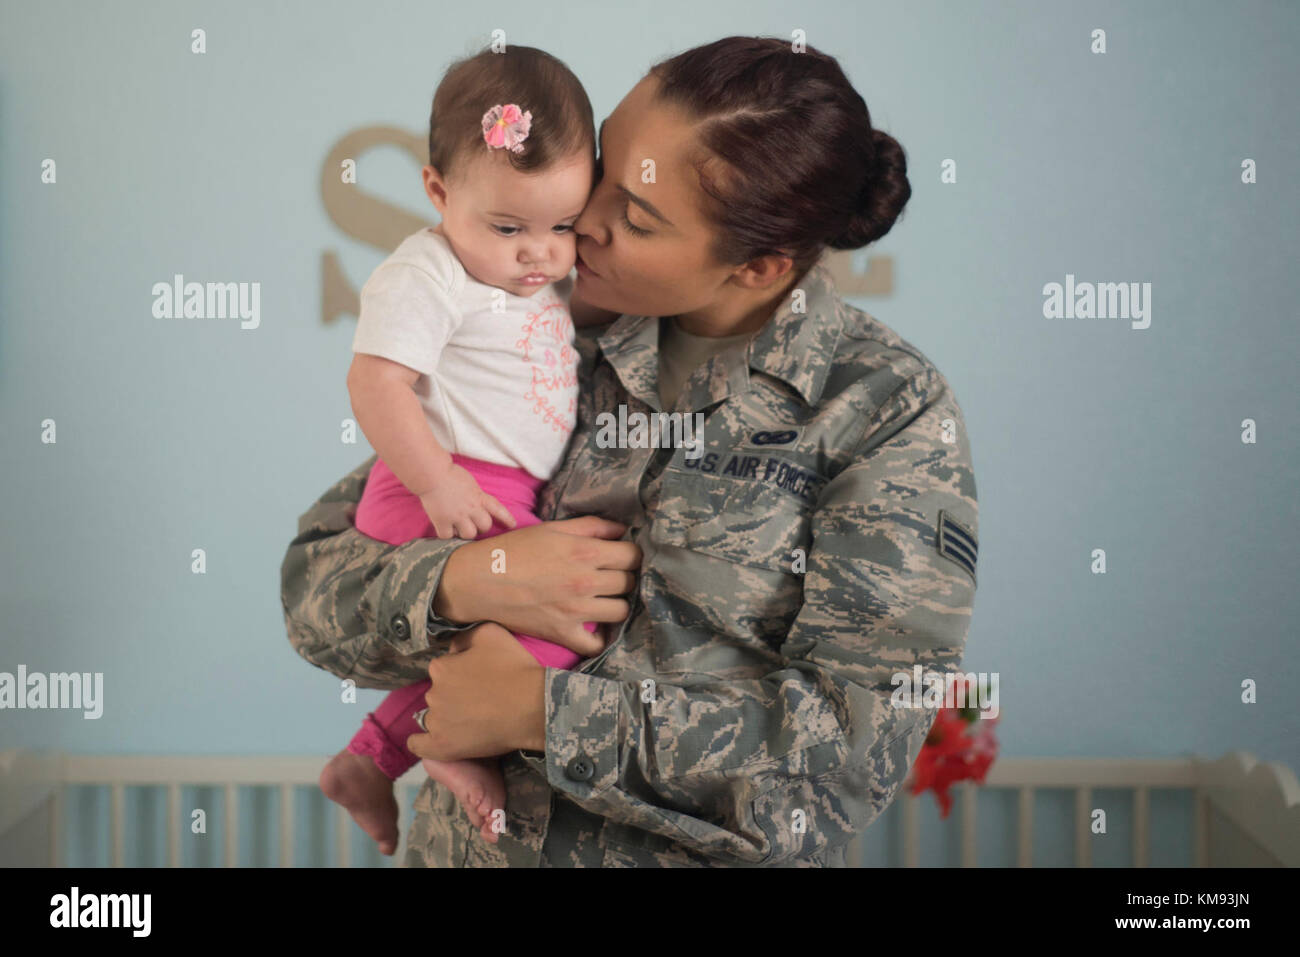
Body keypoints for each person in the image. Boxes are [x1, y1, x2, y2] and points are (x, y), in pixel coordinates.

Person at [281, 35, 980, 867]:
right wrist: (465, 581)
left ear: (758, 267)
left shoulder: (883, 410)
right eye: (605, 170)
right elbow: (316, 587)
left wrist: (540, 713)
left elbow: (854, 749)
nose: (586, 223)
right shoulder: (536, 329)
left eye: (638, 217)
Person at [319, 45, 620, 855]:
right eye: (509, 226)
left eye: (563, 225)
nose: (541, 252)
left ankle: (368, 761)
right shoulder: (429, 273)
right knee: (554, 627)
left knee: (500, 641)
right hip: (433, 489)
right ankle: (441, 749)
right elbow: (375, 383)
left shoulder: (527, 280)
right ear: (437, 191)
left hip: (497, 492)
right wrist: (439, 481)